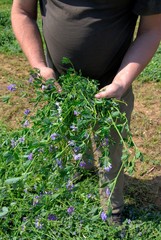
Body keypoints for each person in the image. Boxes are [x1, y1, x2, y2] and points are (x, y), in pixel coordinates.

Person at [11, 0, 161, 225]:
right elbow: (22, 11)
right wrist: (39, 66)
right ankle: (81, 169)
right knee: (71, 135)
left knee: (111, 145)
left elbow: (152, 28)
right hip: (61, 84)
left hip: (114, 85)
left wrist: (121, 82)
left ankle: (113, 208)